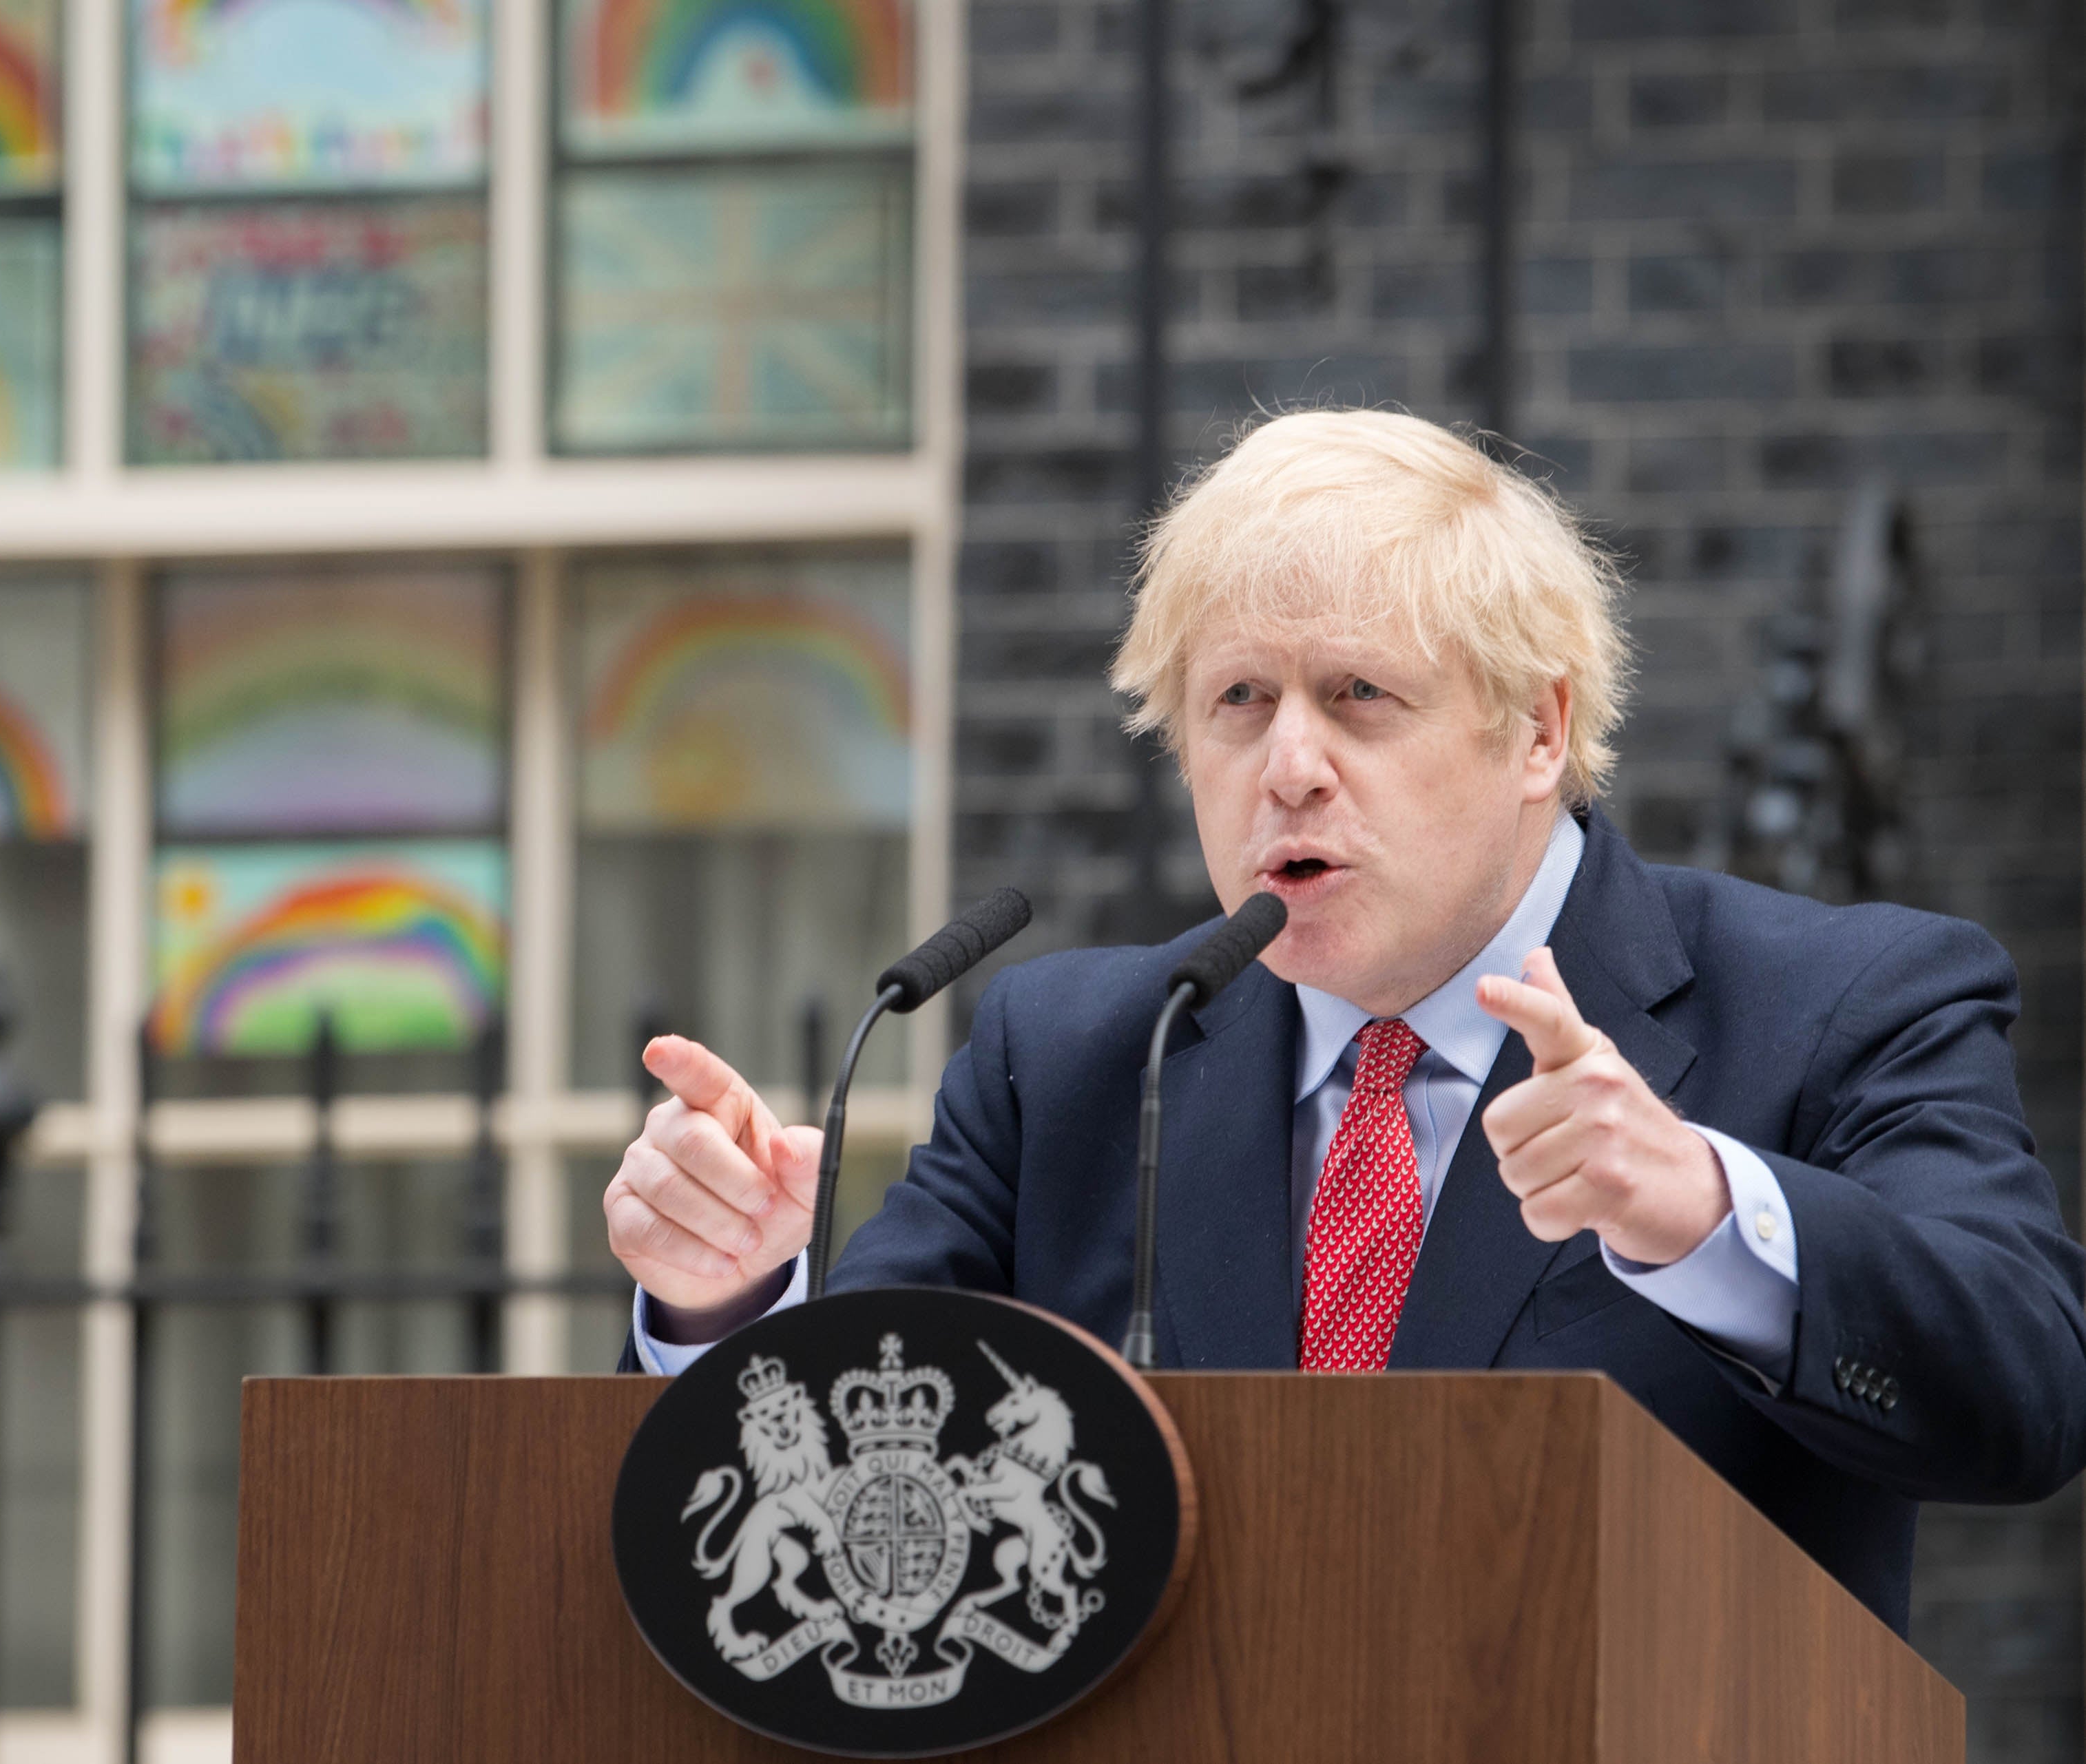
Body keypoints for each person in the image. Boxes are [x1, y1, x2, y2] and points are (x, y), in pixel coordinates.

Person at [600, 408, 2086, 1632]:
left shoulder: (1838, 1003)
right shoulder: (1070, 1057)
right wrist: (728, 1308)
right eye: (1236, 701)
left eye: (1359, 696)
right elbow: (856, 1518)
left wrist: (1698, 1209)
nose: (1287, 767)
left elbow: (2022, 1393)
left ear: (1537, 730)